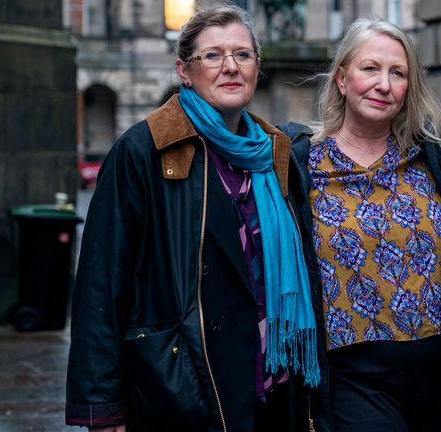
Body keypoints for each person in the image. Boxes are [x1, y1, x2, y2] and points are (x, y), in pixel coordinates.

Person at [65, 4, 324, 431]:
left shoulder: (274, 152)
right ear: (184, 70)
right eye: (213, 55)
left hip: (270, 384)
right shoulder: (144, 149)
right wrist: (102, 405)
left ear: (257, 67)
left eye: (242, 54)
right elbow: (102, 281)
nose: (230, 67)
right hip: (183, 389)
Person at [279, 16, 441, 432]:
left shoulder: (434, 160)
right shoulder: (300, 165)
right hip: (352, 376)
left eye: (397, 73)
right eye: (370, 69)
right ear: (342, 79)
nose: (383, 84)